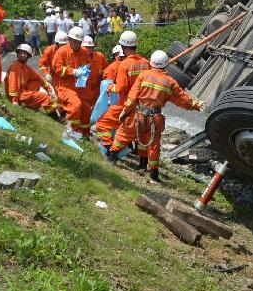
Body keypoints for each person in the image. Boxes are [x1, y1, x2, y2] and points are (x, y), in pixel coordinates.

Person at [107, 50, 204, 182]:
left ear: (151, 62)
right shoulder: (170, 82)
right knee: (153, 145)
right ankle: (153, 172)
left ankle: (112, 155)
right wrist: (195, 105)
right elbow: (182, 98)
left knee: (124, 134)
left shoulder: (143, 76)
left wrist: (125, 111)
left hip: (139, 114)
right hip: (155, 118)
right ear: (166, 64)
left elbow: (132, 97)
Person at [95, 30, 149, 153]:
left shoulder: (124, 64)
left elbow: (120, 88)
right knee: (141, 133)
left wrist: (108, 87)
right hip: (143, 106)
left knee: (102, 123)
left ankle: (109, 150)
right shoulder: (146, 63)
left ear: (124, 47)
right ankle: (143, 163)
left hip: (126, 104)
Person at [51, 26, 92, 138]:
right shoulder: (62, 51)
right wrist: (72, 72)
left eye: (78, 42)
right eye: (74, 41)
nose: (76, 44)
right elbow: (56, 67)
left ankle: (84, 134)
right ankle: (71, 130)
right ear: (69, 40)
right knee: (75, 105)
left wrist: (85, 72)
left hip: (81, 86)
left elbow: (88, 66)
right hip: (66, 86)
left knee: (86, 109)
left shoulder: (84, 52)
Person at [5, 43, 59, 115]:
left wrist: (48, 89)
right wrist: (15, 101)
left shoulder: (25, 68)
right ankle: (54, 116)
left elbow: (38, 77)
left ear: (28, 56)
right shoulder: (15, 68)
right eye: (20, 53)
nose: (22, 55)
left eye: (24, 53)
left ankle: (30, 104)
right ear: (17, 54)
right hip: (16, 96)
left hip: (21, 93)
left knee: (35, 82)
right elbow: (13, 85)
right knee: (44, 97)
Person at [82, 35, 107, 113]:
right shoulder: (79, 57)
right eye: (86, 47)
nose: (88, 49)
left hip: (96, 87)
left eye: (90, 47)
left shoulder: (99, 56)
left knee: (95, 108)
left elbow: (106, 69)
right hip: (84, 88)